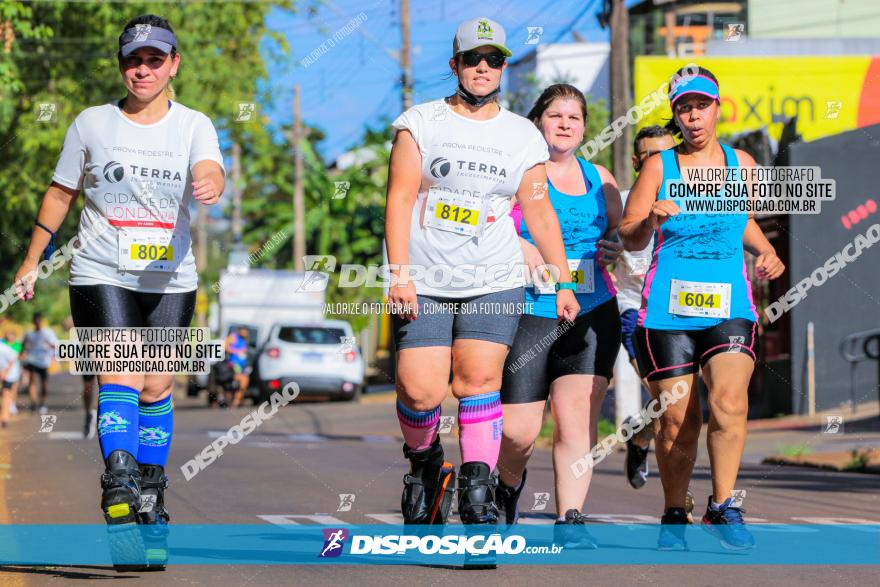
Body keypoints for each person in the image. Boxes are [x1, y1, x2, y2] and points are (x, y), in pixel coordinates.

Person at [13, 14, 224, 555]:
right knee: (121, 375)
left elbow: (212, 168)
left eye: (155, 59)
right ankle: (120, 480)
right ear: (121, 65)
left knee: (156, 387)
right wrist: (33, 260)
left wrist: (210, 181)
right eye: (134, 59)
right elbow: (61, 193)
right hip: (99, 270)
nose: (143, 69)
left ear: (174, 64)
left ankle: (150, 496)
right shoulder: (91, 123)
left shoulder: (194, 124)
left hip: (171, 278)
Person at [385, 17, 578, 538]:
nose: (483, 68)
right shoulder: (420, 122)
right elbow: (399, 199)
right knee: (421, 391)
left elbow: (539, 215)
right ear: (455, 65)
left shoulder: (521, 135)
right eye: (473, 58)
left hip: (493, 276)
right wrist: (398, 274)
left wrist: (560, 282)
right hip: (423, 277)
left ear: (503, 67)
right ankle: (425, 463)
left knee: (479, 382)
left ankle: (477, 493)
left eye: (493, 59)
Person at [619, 66, 784, 551]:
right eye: (683, 108)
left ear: (717, 107)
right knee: (678, 420)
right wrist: (650, 218)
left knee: (730, 401)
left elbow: (742, 220)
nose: (693, 117)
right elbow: (628, 234)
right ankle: (674, 511)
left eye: (701, 106)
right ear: (675, 115)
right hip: (666, 311)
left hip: (729, 304)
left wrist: (764, 251)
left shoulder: (742, 165)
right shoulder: (659, 167)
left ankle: (723, 505)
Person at [494, 84, 622, 548]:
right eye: (556, 115)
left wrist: (615, 245)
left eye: (574, 117)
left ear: (584, 127)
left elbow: (622, 236)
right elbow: (492, 224)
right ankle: (506, 485)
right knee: (519, 432)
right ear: (538, 121)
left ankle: (570, 518)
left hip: (591, 311)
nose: (565, 124)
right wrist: (522, 243)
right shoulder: (521, 173)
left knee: (575, 422)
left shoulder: (600, 177)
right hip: (532, 308)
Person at [614, 126, 677, 490]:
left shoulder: (693, 197)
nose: (661, 162)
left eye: (667, 154)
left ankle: (638, 435)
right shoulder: (624, 201)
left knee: (676, 405)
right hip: (636, 311)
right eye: (651, 157)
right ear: (638, 162)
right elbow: (599, 246)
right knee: (667, 401)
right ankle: (677, 504)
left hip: (684, 312)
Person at [20, 313, 58, 415]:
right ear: (33, 322)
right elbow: (23, 346)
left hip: (43, 361)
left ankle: (43, 403)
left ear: (41, 321)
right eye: (35, 321)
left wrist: (55, 357)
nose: (37, 323)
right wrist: (21, 355)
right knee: (32, 381)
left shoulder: (47, 333)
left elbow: (54, 345)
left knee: (44, 384)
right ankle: (33, 403)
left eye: (39, 321)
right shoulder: (29, 334)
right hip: (31, 360)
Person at [0, 331, 22, 428]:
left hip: (9, 374)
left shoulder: (4, 348)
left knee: (6, 394)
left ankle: (4, 418)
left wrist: (5, 371)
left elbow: (13, 359)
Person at [225, 327, 251, 408]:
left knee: (244, 382)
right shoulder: (233, 337)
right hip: (233, 364)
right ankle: (235, 401)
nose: (246, 334)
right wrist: (236, 351)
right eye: (244, 332)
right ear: (240, 331)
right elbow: (225, 346)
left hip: (243, 365)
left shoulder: (245, 339)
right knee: (241, 380)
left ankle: (237, 400)